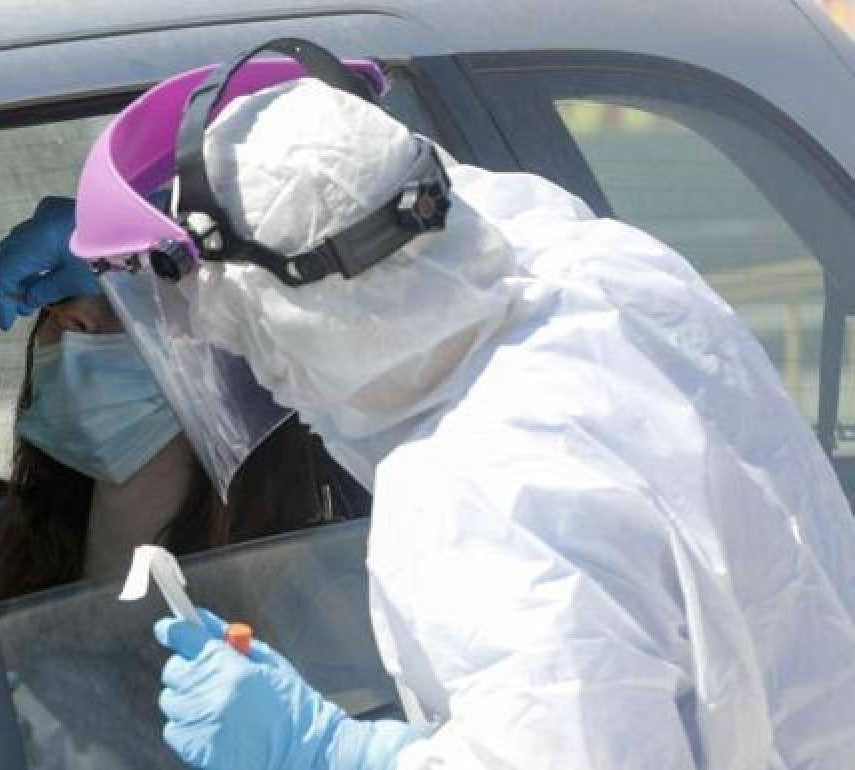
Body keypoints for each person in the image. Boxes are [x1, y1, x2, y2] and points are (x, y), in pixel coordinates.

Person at [71, 58, 855, 770]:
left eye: (236, 332)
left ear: (289, 315)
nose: (252, 366)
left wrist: (332, 755)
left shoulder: (475, 496)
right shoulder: (601, 274)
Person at [0, 197, 367, 600]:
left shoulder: (318, 584)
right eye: (58, 308)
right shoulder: (25, 549)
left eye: (128, 306)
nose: (70, 325)